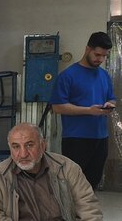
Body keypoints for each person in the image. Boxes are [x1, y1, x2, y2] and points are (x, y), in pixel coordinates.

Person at [50, 31, 116, 190]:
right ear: (87, 49)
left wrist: (109, 104)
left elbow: (112, 98)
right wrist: (88, 110)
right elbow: (57, 106)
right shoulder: (67, 76)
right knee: (73, 185)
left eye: (104, 56)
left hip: (101, 138)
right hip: (76, 139)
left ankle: (88, 207)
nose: (100, 59)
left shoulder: (104, 75)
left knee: (92, 184)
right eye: (97, 54)